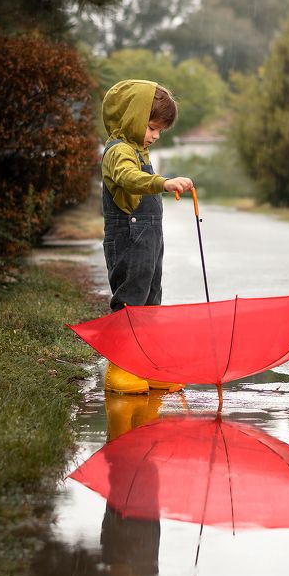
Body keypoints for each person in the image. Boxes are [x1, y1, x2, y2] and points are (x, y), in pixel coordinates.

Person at [101, 78, 193, 394]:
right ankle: (120, 368)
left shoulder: (138, 149)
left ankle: (145, 365)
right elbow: (128, 179)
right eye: (152, 127)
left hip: (148, 238)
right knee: (131, 300)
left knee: (151, 299)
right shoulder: (118, 151)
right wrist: (162, 183)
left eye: (159, 131)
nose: (155, 136)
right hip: (127, 236)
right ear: (132, 117)